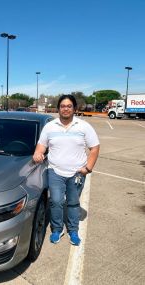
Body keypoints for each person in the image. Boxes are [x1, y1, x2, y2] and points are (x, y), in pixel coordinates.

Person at [33, 95, 100, 246]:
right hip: (55, 171)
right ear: (58, 109)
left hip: (77, 173)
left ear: (74, 109)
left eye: (69, 106)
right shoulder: (50, 126)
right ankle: (57, 229)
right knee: (56, 202)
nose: (66, 108)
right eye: (63, 106)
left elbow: (94, 147)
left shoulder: (83, 126)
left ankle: (73, 231)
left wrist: (88, 168)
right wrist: (38, 153)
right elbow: (41, 145)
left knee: (73, 203)